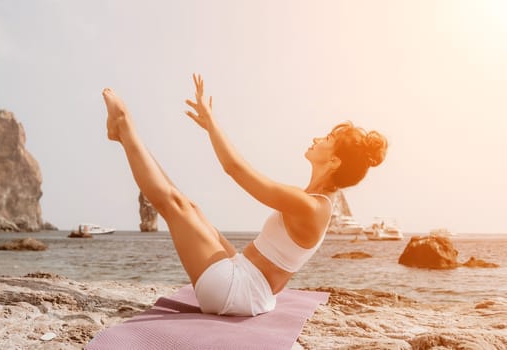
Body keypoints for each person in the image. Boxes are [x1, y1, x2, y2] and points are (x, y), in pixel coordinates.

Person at [102, 74, 387, 316]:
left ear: (335, 162)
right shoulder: (313, 200)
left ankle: (125, 128)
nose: (316, 139)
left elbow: (235, 169)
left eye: (327, 140)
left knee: (174, 205)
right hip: (246, 282)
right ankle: (123, 134)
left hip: (235, 292)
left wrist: (212, 124)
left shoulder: (310, 206)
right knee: (190, 206)